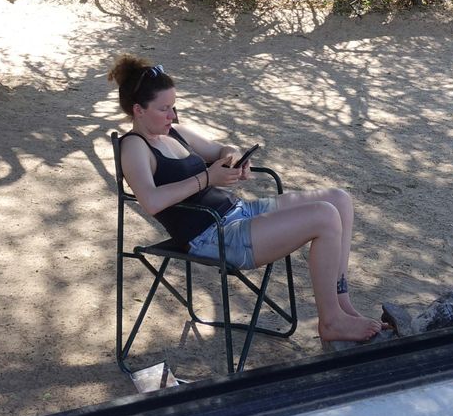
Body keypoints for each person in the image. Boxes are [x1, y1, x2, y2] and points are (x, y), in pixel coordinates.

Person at [110, 55, 382, 344]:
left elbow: (220, 148)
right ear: (138, 110)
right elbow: (150, 201)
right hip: (213, 235)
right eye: (164, 109)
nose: (172, 116)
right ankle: (331, 322)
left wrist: (234, 157)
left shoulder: (174, 133)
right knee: (325, 216)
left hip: (238, 212)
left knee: (339, 200)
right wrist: (207, 179)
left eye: (174, 107)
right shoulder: (134, 148)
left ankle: (342, 305)